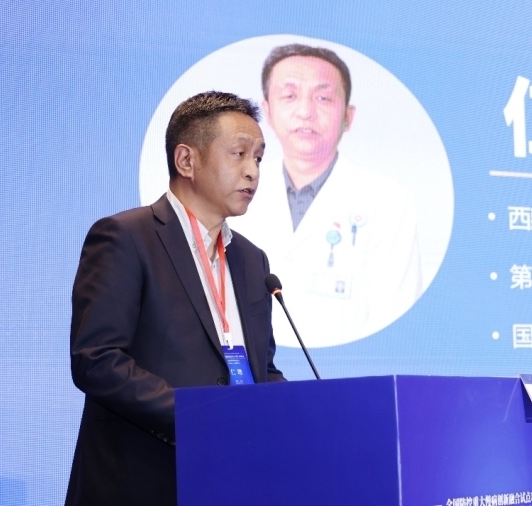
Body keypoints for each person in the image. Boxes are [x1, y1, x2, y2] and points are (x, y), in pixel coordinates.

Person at [65, 91, 285, 506]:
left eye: (258, 158)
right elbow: (97, 360)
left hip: (230, 482)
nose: (252, 171)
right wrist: (199, 418)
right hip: (141, 481)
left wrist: (300, 413)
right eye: (239, 153)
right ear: (186, 160)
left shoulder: (252, 260)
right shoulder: (125, 238)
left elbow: (262, 367)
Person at [247, 43, 423, 347]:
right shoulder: (238, 191)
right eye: (289, 96)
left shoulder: (388, 201)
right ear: (268, 112)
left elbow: (397, 316)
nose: (305, 112)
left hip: (348, 372)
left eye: (323, 98)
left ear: (348, 117)